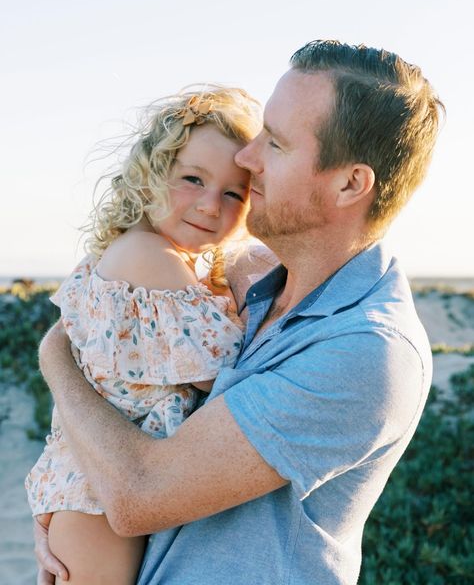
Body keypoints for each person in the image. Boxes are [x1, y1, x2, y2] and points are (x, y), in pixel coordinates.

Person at [34, 40, 444, 585]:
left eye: (274, 143)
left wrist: (52, 357)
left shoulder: (368, 349)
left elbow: (138, 496)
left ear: (350, 183)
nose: (247, 160)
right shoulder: (245, 281)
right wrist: (69, 511)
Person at [26, 85, 262, 584]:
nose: (209, 204)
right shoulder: (148, 257)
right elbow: (224, 369)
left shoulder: (172, 258)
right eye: (192, 179)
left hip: (112, 475)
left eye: (234, 192)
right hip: (96, 491)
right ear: (151, 174)